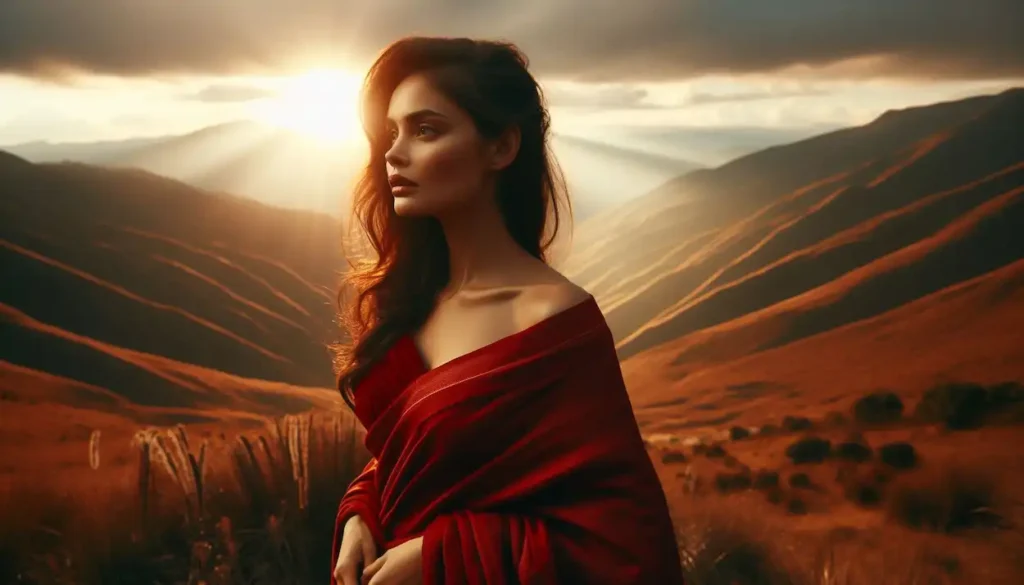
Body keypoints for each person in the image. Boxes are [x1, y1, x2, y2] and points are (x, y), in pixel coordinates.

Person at [330, 36, 685, 585]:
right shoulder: (412, 302)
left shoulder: (555, 325)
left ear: (501, 148)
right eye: (390, 133)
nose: (393, 154)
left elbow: (626, 546)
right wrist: (360, 516)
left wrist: (439, 557)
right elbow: (415, 462)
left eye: (426, 130)